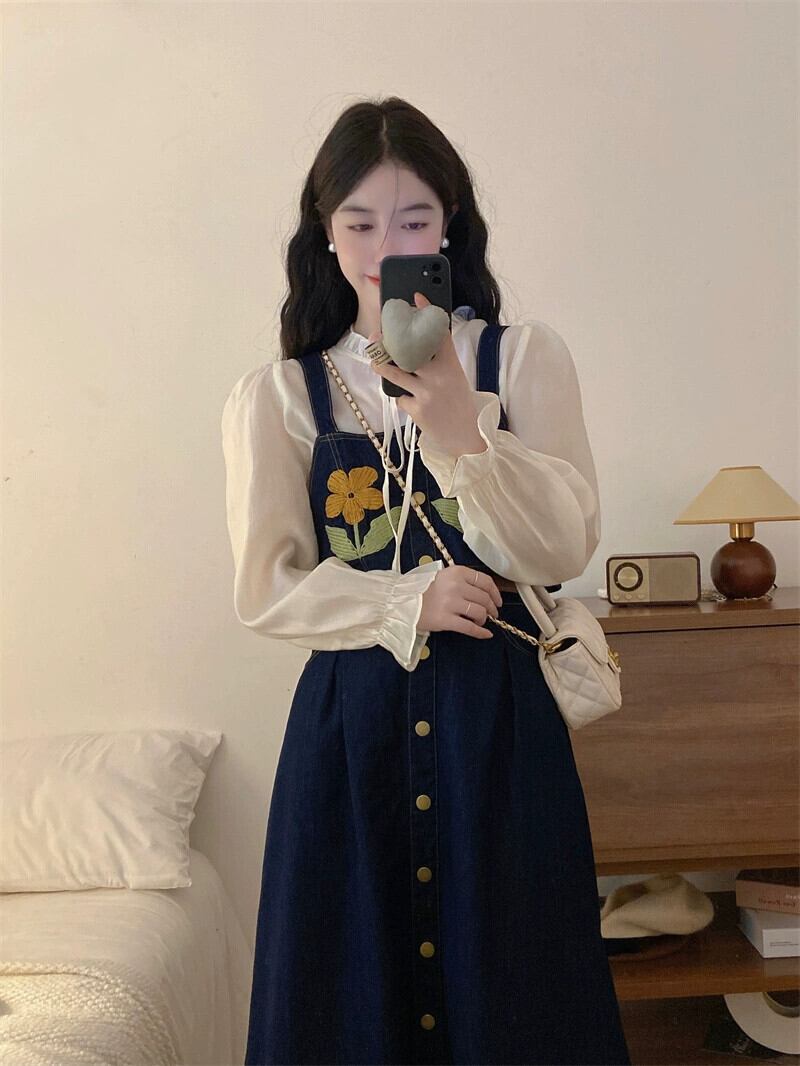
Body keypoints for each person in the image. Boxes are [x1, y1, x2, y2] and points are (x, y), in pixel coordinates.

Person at [221, 96, 631, 1066]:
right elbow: (267, 584)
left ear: (447, 226)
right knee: (347, 997)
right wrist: (405, 600)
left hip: (501, 727)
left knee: (518, 988)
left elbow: (561, 546)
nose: (384, 248)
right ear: (325, 233)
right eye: (360, 223)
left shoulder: (520, 361)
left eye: (412, 221)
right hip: (348, 736)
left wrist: (457, 426)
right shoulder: (282, 396)